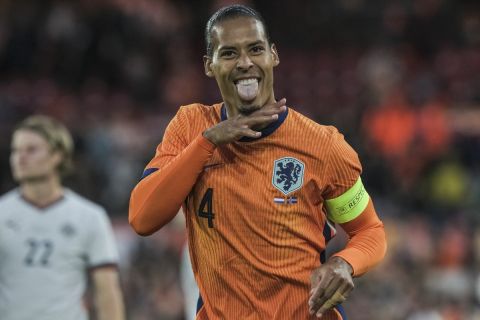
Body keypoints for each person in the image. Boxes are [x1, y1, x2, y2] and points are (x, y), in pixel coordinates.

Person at [129, 4, 387, 319]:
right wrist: (208, 141)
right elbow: (142, 218)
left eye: (255, 49)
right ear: (209, 65)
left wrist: (345, 262)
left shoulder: (323, 146)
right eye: (228, 54)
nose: (245, 63)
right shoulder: (190, 126)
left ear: (273, 55)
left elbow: (370, 231)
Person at [0, 115, 125, 320]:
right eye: (15, 150)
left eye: (31, 150)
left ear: (57, 155)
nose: (19, 158)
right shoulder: (2, 214)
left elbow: (107, 290)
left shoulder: (90, 217)